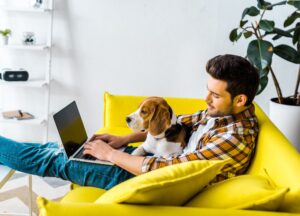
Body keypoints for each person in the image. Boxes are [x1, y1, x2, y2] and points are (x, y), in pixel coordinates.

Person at [0, 54, 259, 190]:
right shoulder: (221, 116)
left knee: (53, 160)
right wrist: (124, 140)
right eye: (208, 90)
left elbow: (170, 169)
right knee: (57, 148)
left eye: (214, 95)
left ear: (239, 100)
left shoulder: (233, 137)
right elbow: (176, 124)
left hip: (146, 180)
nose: (206, 99)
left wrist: (111, 155)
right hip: (142, 167)